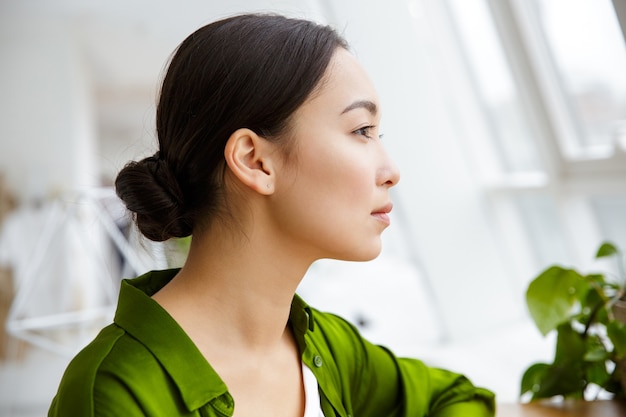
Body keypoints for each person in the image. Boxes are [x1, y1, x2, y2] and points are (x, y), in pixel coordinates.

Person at [48, 13, 495, 417]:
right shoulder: (114, 394)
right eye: (361, 131)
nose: (392, 171)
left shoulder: (327, 348)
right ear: (255, 161)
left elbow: (459, 398)